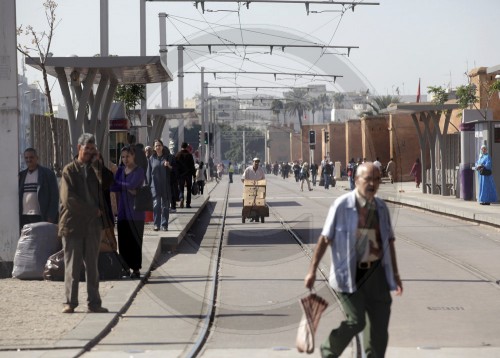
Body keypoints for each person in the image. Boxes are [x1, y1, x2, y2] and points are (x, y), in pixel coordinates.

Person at [304, 162, 403, 358]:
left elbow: (389, 242)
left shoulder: (381, 208)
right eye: (368, 179)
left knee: (379, 326)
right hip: (350, 274)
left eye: (377, 179)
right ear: (356, 180)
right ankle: (329, 349)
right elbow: (325, 238)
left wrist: (396, 275)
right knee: (356, 320)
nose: (373, 184)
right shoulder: (342, 206)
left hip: (377, 275)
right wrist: (312, 270)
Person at [59, 133, 111, 314]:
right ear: (79, 149)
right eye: (86, 149)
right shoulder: (69, 170)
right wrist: (92, 211)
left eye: (92, 149)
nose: (89, 152)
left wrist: (98, 163)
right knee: (72, 266)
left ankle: (94, 303)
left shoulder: (95, 168)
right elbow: (68, 200)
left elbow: (108, 183)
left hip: (93, 226)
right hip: (73, 224)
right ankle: (70, 302)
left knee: (92, 265)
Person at [110, 146, 146, 279]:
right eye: (123, 157)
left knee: (135, 241)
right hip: (122, 211)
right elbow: (114, 186)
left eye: (127, 156)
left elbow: (132, 184)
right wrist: (127, 185)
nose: (125, 159)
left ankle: (136, 268)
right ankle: (125, 268)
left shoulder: (139, 171)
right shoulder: (120, 170)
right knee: (123, 241)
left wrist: (122, 184)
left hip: (136, 213)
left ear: (133, 156)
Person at [18, 148, 59, 230]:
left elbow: (54, 196)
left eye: (31, 157)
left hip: (41, 216)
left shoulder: (47, 174)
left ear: (37, 158)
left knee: (42, 241)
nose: (29, 160)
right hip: (25, 217)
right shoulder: (21, 175)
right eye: (26, 158)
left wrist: (50, 216)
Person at [147, 139, 172, 231]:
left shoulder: (168, 157)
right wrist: (148, 186)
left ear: (162, 146)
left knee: (165, 206)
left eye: (159, 145)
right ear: (154, 148)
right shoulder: (151, 159)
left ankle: (164, 225)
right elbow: (148, 173)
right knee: (156, 205)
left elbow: (174, 170)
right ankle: (156, 224)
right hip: (155, 185)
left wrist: (169, 165)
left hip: (165, 185)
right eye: (156, 146)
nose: (158, 147)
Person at [176, 142, 196, 209]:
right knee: (189, 189)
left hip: (181, 175)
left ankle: (181, 197)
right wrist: (194, 175)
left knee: (181, 188)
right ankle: (188, 204)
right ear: (186, 147)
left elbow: (176, 166)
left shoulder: (178, 155)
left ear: (181, 147)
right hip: (188, 174)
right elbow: (192, 166)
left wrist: (177, 174)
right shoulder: (189, 155)